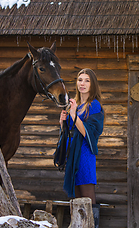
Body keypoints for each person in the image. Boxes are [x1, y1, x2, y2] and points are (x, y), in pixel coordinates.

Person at [57, 68, 104, 227]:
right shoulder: (74, 105)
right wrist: (63, 121)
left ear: (93, 85)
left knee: (87, 199)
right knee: (75, 201)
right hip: (72, 156)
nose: (82, 83)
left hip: (84, 155)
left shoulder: (94, 105)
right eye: (80, 80)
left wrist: (74, 115)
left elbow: (88, 132)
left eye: (87, 80)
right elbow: (69, 131)